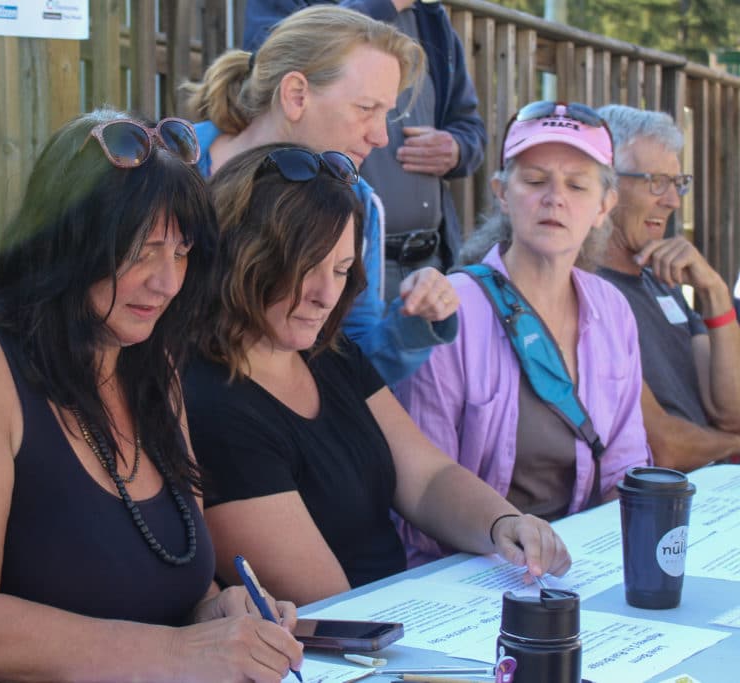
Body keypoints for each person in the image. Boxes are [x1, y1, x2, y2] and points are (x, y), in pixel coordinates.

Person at [0, 110, 304, 682]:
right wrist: (180, 654)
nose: (167, 281)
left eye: (181, 252)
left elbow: (153, 588)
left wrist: (215, 613)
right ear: (66, 240)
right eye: (143, 250)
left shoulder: (151, 363)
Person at [184, 142, 572, 607]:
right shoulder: (208, 401)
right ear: (243, 255)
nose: (328, 295)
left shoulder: (326, 351)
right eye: (307, 268)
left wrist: (503, 524)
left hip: (396, 619)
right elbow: (328, 607)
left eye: (343, 269)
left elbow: (427, 478)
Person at [396, 102, 651, 566]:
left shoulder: (613, 310)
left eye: (577, 184)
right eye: (534, 181)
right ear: (501, 194)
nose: (554, 197)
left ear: (604, 206)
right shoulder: (452, 310)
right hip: (468, 572)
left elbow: (626, 469)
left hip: (581, 568)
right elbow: (421, 501)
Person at [180, 4, 459, 385]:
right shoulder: (171, 165)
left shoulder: (356, 202)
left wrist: (412, 325)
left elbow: (352, 359)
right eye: (365, 109)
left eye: (385, 114)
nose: (380, 137)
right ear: (296, 95)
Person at [243, 0, 487, 288]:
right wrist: (384, 5)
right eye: (366, 107)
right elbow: (269, 63)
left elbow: (471, 128)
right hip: (334, 256)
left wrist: (457, 149)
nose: (380, 137)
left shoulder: (432, 19)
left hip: (432, 258)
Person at [595, 104, 740, 470]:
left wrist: (716, 295)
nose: (673, 201)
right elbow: (663, 447)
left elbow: (732, 411)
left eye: (677, 183)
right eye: (655, 182)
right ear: (605, 182)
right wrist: (733, 445)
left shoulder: (663, 281)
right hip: (663, 500)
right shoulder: (588, 291)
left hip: (715, 487)